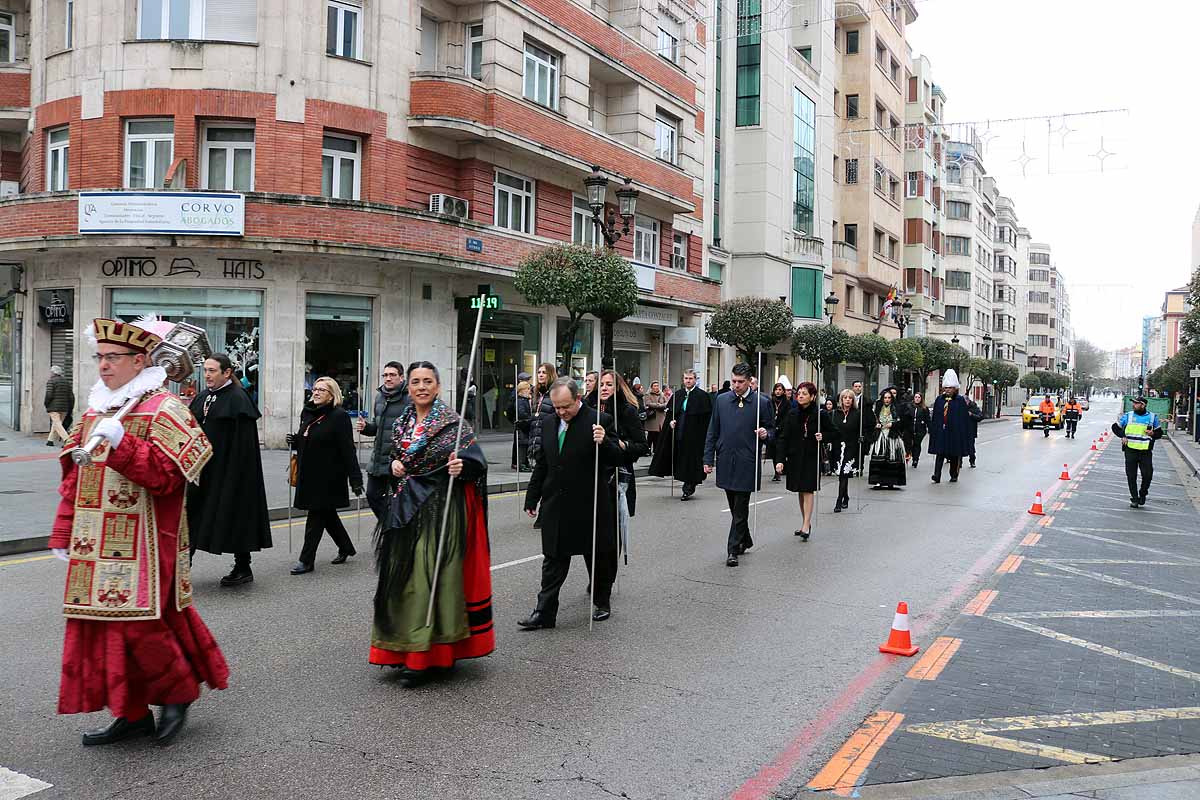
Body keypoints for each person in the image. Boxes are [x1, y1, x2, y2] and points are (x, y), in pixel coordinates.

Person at [48, 317, 227, 746]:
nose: (104, 366)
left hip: (145, 541)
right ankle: (130, 713)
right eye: (100, 357)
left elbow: (171, 476)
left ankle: (177, 694)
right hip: (94, 540)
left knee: (140, 627)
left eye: (113, 358)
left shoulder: (164, 407)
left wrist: (124, 444)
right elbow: (75, 475)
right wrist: (63, 530)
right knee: (103, 630)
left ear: (141, 360)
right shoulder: (95, 408)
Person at [370, 362, 494, 686]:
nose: (421, 387)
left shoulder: (455, 425)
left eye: (428, 381)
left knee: (429, 579)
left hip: (440, 510)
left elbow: (476, 463)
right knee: (400, 578)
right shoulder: (401, 422)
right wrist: (395, 463)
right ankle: (402, 648)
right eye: (415, 382)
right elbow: (394, 457)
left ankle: (427, 656)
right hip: (404, 510)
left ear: (438, 386)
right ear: (408, 388)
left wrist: (461, 467)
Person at [519, 377, 622, 628]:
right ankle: (545, 613)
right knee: (553, 560)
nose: (561, 412)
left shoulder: (599, 421)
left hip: (590, 503)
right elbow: (543, 464)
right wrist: (532, 497)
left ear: (578, 399)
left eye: (566, 406)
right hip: (557, 503)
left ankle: (601, 602)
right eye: (557, 407)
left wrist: (605, 442)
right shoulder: (548, 422)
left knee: (597, 557)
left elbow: (619, 459)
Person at [187, 353, 272, 586]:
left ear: (227, 373)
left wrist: (235, 473)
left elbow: (244, 445)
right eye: (205, 370)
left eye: (212, 370)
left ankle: (243, 566)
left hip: (229, 469)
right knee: (192, 515)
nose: (207, 375)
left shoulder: (238, 398)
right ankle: (183, 566)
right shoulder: (203, 396)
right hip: (201, 469)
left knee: (235, 515)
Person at [289, 377, 364, 574]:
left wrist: (355, 479)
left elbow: (348, 449)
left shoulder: (339, 416)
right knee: (327, 515)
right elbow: (307, 440)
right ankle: (346, 547)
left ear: (332, 395)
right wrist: (295, 441)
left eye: (322, 390)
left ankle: (306, 560)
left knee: (315, 516)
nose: (316, 392)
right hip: (309, 475)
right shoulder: (307, 412)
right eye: (315, 389)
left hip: (329, 477)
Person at [704, 363, 774, 567]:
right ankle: (746, 538)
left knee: (741, 506)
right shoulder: (721, 400)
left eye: (740, 382)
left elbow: (772, 430)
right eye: (733, 381)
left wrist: (765, 434)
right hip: (726, 459)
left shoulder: (761, 402)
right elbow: (712, 431)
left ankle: (732, 550)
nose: (736, 385)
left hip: (748, 460)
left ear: (750, 381)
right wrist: (708, 459)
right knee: (734, 506)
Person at [589, 370, 649, 564]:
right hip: (592, 475)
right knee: (591, 531)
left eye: (609, 384)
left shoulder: (627, 410)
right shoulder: (588, 408)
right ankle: (596, 575)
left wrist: (624, 445)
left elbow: (642, 445)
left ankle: (607, 576)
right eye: (602, 384)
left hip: (617, 476)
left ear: (618, 387)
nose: (604, 388)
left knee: (613, 530)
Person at [648, 369, 713, 500]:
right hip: (679, 431)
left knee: (691, 460)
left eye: (690, 378)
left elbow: (707, 419)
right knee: (680, 458)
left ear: (695, 380)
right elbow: (671, 413)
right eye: (686, 378)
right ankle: (684, 480)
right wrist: (671, 423)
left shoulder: (702, 396)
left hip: (694, 435)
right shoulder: (678, 395)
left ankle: (688, 487)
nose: (688, 381)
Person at [358, 362, 411, 521]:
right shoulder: (379, 396)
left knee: (402, 501)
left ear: (401, 377)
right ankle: (390, 527)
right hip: (379, 459)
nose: (388, 378)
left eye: (392, 375)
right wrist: (366, 427)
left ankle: (397, 532)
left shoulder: (409, 398)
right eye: (385, 375)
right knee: (372, 495)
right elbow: (377, 427)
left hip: (398, 460)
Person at [774, 381, 823, 539]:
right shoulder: (792, 413)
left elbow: (834, 433)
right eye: (799, 393)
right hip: (795, 457)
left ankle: (806, 525)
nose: (801, 396)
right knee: (800, 490)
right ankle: (805, 522)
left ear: (812, 396)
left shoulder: (820, 414)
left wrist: (824, 437)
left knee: (808, 489)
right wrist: (780, 460)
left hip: (811, 456)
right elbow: (783, 437)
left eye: (804, 394)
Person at [1112, 396, 1163, 507]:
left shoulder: (1152, 417)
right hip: (1130, 450)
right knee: (1131, 475)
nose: (1133, 405)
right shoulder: (1128, 416)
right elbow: (1115, 428)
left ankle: (1143, 493)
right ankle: (1134, 498)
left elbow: (1159, 433)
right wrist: (1123, 436)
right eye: (1133, 403)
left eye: (1136, 403)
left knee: (1148, 474)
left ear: (1143, 405)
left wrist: (1153, 434)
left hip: (1145, 451)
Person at [929, 369, 971, 483]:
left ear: (955, 388)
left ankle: (954, 474)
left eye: (950, 388)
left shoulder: (960, 400)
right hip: (941, 432)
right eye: (946, 388)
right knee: (940, 454)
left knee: (954, 455)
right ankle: (936, 475)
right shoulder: (939, 400)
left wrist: (962, 433)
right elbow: (936, 417)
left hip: (954, 433)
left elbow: (963, 419)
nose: (947, 390)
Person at [826, 389, 862, 512]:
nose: (847, 400)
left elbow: (863, 430)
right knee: (841, 474)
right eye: (845, 397)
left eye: (850, 398)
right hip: (837, 447)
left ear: (853, 400)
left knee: (844, 473)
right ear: (841, 400)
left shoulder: (857, 414)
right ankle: (845, 496)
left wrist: (862, 439)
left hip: (851, 447)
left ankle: (839, 500)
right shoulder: (835, 413)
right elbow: (831, 430)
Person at [869, 389, 910, 489]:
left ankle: (891, 481)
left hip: (893, 436)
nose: (887, 400)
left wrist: (893, 424)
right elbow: (871, 420)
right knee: (879, 458)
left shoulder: (897, 408)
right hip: (880, 436)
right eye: (885, 398)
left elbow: (903, 423)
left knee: (892, 459)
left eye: (889, 398)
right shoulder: (878, 408)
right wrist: (876, 424)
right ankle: (878, 481)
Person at [527, 363, 559, 465]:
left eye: (544, 373)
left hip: (549, 442)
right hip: (536, 441)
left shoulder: (556, 392)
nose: (540, 375)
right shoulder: (535, 393)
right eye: (539, 372)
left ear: (550, 375)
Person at [44, 364, 74, 447]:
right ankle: (50, 440)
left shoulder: (51, 381)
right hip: (65, 408)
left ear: (53, 373)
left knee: (57, 424)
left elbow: (49, 394)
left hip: (54, 407)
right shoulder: (66, 382)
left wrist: (46, 404)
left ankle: (67, 440)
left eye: (51, 372)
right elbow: (71, 396)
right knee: (57, 423)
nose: (50, 373)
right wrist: (70, 407)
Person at [768, 382, 792, 482]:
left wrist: (780, 426)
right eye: (776, 389)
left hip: (782, 430)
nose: (778, 392)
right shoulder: (770, 402)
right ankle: (776, 472)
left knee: (780, 450)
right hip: (773, 430)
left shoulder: (786, 403)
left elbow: (787, 417)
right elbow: (768, 414)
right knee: (774, 451)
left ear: (783, 391)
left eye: (780, 390)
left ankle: (781, 470)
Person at [511, 380, 533, 470]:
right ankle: (521, 464)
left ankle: (525, 462)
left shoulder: (525, 400)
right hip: (522, 426)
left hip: (524, 426)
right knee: (522, 445)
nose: (529, 391)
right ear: (522, 390)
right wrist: (530, 418)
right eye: (527, 389)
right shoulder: (520, 401)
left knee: (525, 444)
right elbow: (521, 414)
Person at [642, 380, 668, 455]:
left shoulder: (662, 394)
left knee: (658, 435)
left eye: (657, 386)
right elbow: (648, 403)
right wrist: (659, 405)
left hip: (660, 417)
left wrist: (660, 405)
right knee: (651, 435)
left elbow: (666, 403)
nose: (656, 387)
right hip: (652, 417)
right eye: (655, 386)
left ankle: (656, 450)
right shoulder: (648, 395)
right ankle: (648, 449)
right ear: (652, 387)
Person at [910, 392, 930, 469]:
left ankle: (915, 459)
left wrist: (930, 428)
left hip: (920, 429)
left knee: (917, 443)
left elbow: (928, 419)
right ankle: (913, 456)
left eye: (919, 397)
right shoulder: (910, 406)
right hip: (911, 428)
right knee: (912, 444)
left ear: (921, 399)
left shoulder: (924, 408)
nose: (917, 399)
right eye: (916, 397)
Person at [965, 396, 985, 468]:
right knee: (959, 447)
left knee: (971, 448)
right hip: (961, 431)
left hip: (970, 431)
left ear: (968, 401)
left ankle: (972, 461)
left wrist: (971, 415)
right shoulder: (960, 407)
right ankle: (959, 462)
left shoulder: (974, 407)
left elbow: (980, 417)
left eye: (965, 403)